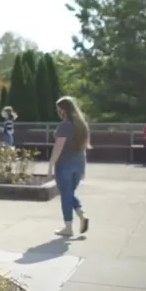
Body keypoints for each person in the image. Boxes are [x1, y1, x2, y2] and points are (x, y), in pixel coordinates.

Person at [48, 96, 91, 237]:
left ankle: (68, 226)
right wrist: (83, 168)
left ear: (63, 110)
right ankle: (81, 215)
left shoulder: (65, 125)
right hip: (78, 164)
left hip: (64, 164)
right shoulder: (82, 125)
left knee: (65, 195)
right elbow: (83, 148)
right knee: (69, 194)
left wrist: (51, 164)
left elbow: (58, 147)